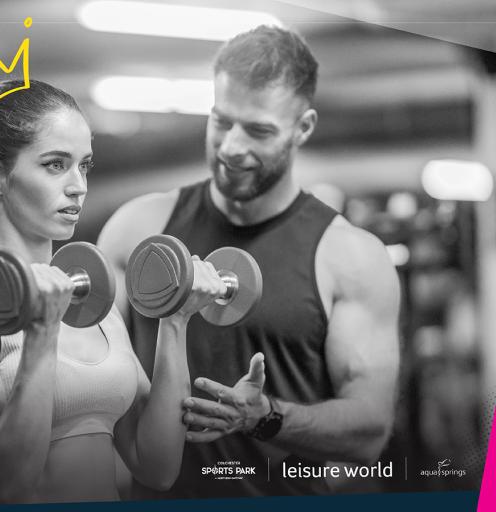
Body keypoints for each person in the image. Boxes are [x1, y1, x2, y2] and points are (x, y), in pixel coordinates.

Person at [98, 26, 401, 497]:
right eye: (221, 121)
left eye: (258, 130)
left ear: (303, 128)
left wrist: (265, 416)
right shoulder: (138, 230)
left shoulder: (349, 256)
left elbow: (370, 430)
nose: (232, 147)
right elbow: (86, 369)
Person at [0, 80, 226, 504]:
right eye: (55, 164)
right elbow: (7, 485)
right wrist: (42, 334)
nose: (78, 185)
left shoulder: (94, 302)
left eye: (85, 165)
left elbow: (157, 465)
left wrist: (176, 319)